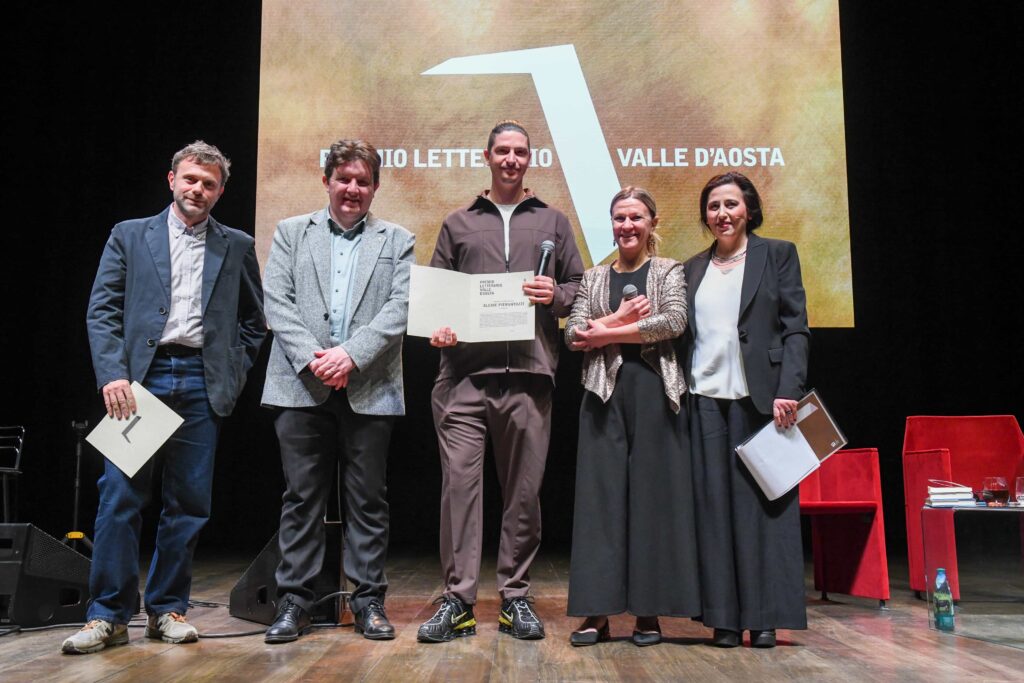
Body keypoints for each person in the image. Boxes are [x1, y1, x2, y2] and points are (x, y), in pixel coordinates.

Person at [67, 141, 266, 654]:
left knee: (188, 505)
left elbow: (252, 322)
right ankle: (107, 616)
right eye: (191, 179)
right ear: (171, 180)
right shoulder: (130, 235)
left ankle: (166, 609)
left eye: (209, 183)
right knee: (119, 498)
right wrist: (113, 374)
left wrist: (233, 371)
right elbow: (103, 309)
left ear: (221, 192)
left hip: (201, 382)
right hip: (139, 383)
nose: (198, 189)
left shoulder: (237, 245)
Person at [417, 120, 584, 643]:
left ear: (529, 160)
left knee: (523, 495)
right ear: (486, 157)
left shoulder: (553, 221)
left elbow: (578, 287)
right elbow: (435, 295)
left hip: (531, 377)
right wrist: (438, 329)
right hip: (463, 380)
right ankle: (458, 602)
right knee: (460, 492)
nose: (511, 159)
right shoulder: (458, 222)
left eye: (520, 152)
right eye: (503, 151)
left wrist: (552, 295)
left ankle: (515, 599)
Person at [261, 139, 415, 644]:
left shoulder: (398, 239)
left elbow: (400, 308)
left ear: (375, 187)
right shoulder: (290, 233)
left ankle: (368, 603)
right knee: (301, 498)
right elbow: (277, 302)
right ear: (327, 180)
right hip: (300, 385)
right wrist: (317, 358)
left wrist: (350, 356)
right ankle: (294, 603)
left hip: (369, 386)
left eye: (363, 181)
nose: (353, 189)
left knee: (368, 501)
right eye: (344, 178)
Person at [564, 187, 700, 647]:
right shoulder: (594, 276)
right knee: (599, 505)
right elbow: (573, 334)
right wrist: (615, 320)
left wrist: (605, 333)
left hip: (656, 396)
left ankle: (648, 614)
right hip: (604, 397)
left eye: (635, 217)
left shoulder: (669, 271)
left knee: (652, 503)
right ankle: (596, 615)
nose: (627, 225)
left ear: (652, 223)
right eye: (619, 218)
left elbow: (674, 321)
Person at [683, 171, 810, 648]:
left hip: (763, 401)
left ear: (749, 210)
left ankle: (764, 618)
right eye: (714, 206)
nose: (722, 213)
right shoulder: (692, 268)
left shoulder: (776, 254)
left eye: (731, 204)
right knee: (714, 509)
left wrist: (788, 390)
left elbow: (795, 328)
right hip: (706, 401)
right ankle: (725, 619)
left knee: (765, 508)